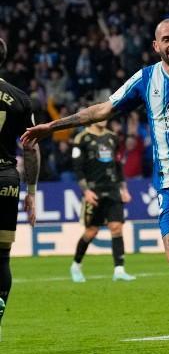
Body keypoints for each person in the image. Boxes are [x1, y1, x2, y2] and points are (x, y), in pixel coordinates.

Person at [21, 19, 169, 347]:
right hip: (168, 181)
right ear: (156, 46)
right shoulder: (145, 80)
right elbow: (103, 109)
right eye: (166, 40)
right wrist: (53, 126)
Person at [0, 38, 39, 342]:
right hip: (6, 181)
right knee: (2, 257)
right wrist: (32, 192)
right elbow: (31, 150)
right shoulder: (20, 98)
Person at [69, 119, 136, 283]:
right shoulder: (82, 138)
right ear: (92, 117)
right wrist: (86, 191)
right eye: (100, 115)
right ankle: (76, 265)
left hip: (112, 189)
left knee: (116, 227)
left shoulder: (113, 138)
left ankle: (119, 269)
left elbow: (118, 166)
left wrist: (124, 189)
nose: (104, 118)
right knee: (91, 231)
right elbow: (78, 169)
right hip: (94, 191)